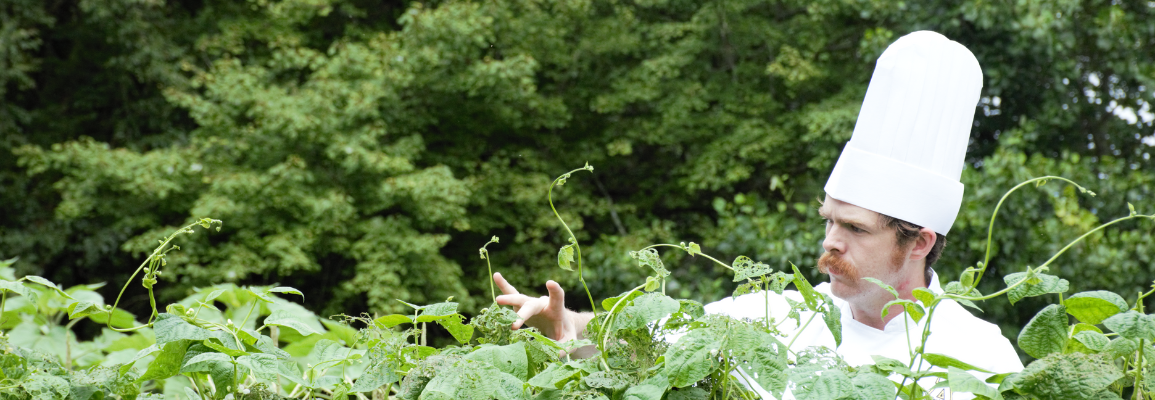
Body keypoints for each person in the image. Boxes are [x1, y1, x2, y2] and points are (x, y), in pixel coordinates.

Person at [492, 30, 1025, 397]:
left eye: (856, 228)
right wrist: (570, 324)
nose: (831, 242)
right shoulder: (776, 320)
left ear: (919, 243)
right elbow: (648, 345)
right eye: (829, 220)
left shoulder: (977, 357)